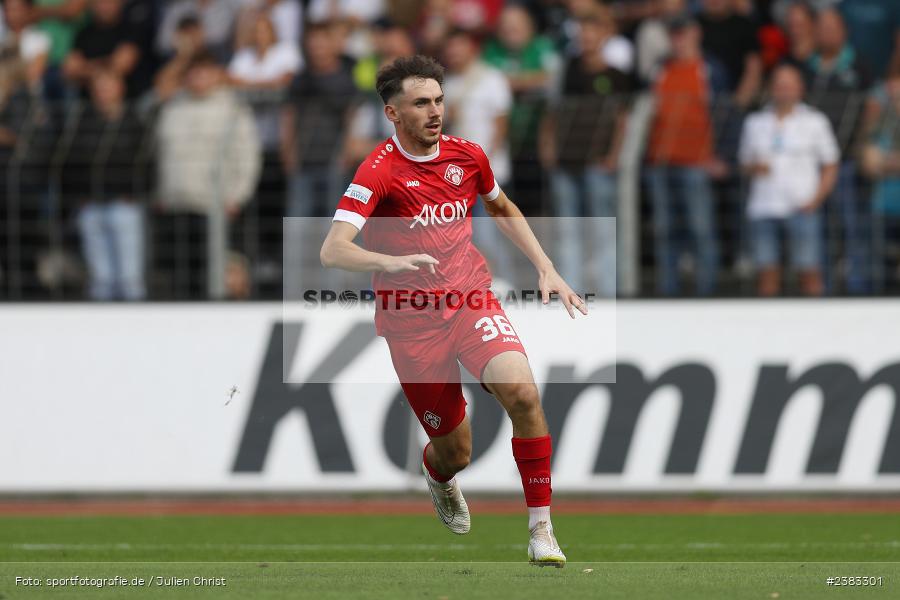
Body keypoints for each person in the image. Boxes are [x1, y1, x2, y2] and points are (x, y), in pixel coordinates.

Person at [319, 55, 584, 566]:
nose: (435, 111)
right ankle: (438, 476)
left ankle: (541, 530)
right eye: (421, 103)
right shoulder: (379, 171)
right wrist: (387, 262)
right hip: (411, 322)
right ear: (393, 114)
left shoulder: (467, 156)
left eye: (439, 100)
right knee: (454, 451)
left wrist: (545, 266)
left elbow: (501, 206)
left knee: (524, 395)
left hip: (469, 298)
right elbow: (334, 249)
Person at [540, 8, 631, 296]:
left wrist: (614, 156)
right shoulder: (566, 70)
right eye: (583, 33)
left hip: (597, 162)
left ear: (604, 36)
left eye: (592, 32)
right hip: (566, 159)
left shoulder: (616, 76)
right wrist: (548, 148)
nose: (587, 38)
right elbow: (552, 113)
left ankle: (606, 291)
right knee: (567, 230)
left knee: (602, 229)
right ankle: (571, 292)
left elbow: (621, 120)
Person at [155, 52, 261, 298]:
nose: (199, 77)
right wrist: (161, 192)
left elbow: (247, 156)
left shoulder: (233, 109)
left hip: (214, 206)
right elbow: (162, 153)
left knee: (215, 276)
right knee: (179, 276)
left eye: (205, 71)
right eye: (193, 72)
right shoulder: (173, 107)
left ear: (217, 75)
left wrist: (237, 196)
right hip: (176, 204)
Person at [739, 64, 839, 296]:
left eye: (789, 85)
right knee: (766, 273)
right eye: (779, 85)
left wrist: (816, 200)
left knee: (810, 272)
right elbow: (744, 163)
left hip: (801, 205)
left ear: (800, 89)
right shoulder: (755, 122)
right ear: (771, 88)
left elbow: (831, 164)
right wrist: (754, 167)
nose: (783, 90)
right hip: (763, 207)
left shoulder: (815, 121)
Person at [645, 15, 726, 296]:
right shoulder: (661, 69)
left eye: (683, 33)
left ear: (696, 33)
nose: (678, 39)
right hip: (660, 160)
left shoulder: (709, 69)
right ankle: (668, 290)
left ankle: (707, 291)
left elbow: (725, 114)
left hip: (696, 161)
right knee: (664, 230)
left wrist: (720, 154)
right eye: (674, 34)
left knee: (700, 228)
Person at [62, 70, 148, 300]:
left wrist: (135, 193)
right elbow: (69, 161)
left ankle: (135, 327)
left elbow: (146, 161)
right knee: (100, 278)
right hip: (91, 205)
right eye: (98, 87)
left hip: (124, 204)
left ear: (120, 88)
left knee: (129, 277)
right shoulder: (82, 121)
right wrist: (80, 197)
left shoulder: (134, 121)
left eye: (108, 85)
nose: (103, 92)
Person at [806, 7, 872, 293]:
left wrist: (858, 147)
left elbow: (870, 112)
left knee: (851, 226)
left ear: (844, 31)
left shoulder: (859, 67)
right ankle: (825, 288)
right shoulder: (807, 68)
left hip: (845, 161)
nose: (826, 33)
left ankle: (859, 285)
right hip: (810, 166)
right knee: (818, 229)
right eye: (821, 27)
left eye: (832, 27)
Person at [442, 28, 515, 282]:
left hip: (489, 172)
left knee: (489, 234)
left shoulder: (492, 79)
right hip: (457, 176)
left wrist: (486, 165)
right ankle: (481, 286)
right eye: (450, 47)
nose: (454, 52)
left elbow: (501, 125)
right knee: (466, 237)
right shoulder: (447, 84)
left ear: (472, 47)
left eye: (459, 45)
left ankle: (505, 283)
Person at [62, 0, 142, 96]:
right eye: (100, 2)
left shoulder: (130, 29)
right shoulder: (83, 33)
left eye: (109, 2)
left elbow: (122, 65)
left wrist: (85, 68)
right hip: (87, 103)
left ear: (120, 3)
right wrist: (107, 65)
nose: (104, 7)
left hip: (128, 103)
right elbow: (70, 70)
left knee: (108, 84)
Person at [0, 0, 51, 91]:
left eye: (15, 9)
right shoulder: (3, 36)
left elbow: (35, 72)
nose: (11, 14)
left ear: (27, 10)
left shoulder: (38, 38)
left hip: (25, 94)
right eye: (7, 10)